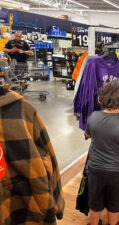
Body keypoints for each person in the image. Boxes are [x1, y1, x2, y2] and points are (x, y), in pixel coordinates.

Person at [0, 86, 65, 224]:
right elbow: (47, 158)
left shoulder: (23, 110)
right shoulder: (21, 110)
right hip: (26, 209)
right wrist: (58, 204)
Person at [85, 79, 119, 225]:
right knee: (114, 204)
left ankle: (93, 223)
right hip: (116, 172)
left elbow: (88, 135)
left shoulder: (93, 116)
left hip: (95, 169)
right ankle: (113, 223)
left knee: (95, 202)